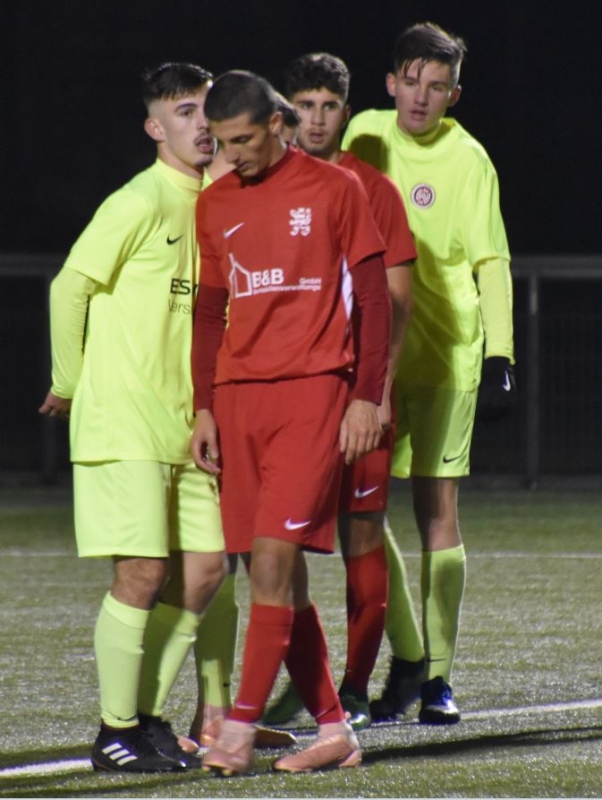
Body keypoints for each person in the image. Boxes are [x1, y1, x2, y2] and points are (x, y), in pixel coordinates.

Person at [190, 69, 391, 775]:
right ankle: (335, 730)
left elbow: (375, 297)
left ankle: (239, 730)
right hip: (238, 401)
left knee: (274, 562)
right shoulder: (214, 203)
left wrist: (366, 396)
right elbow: (209, 310)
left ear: (277, 125)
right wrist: (205, 406)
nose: (232, 154)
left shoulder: (337, 188)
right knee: (273, 576)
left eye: (243, 140)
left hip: (313, 394)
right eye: (222, 142)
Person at [38, 62, 228, 772]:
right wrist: (69, 381)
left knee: (205, 571)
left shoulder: (216, 203)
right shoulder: (140, 199)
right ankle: (115, 732)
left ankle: (144, 718)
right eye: (184, 112)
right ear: (155, 127)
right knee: (145, 572)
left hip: (187, 426)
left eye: (207, 109)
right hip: (125, 420)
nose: (201, 124)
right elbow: (69, 286)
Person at [343, 22, 515, 724]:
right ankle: (409, 654)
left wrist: (500, 353)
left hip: (445, 356)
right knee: (360, 510)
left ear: (454, 95)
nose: (420, 97)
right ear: (391, 82)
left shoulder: (469, 159)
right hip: (372, 358)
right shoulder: (363, 135)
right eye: (411, 81)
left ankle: (438, 677)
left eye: (436, 86)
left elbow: (491, 260)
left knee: (435, 511)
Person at [262, 51, 417, 732]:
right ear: (283, 112)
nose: (317, 119)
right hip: (289, 395)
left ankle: (353, 688)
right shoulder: (261, 184)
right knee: (276, 544)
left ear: (347, 113)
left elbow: (398, 302)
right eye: (305, 105)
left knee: (361, 533)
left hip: (357, 391)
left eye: (330, 106)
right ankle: (304, 682)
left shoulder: (371, 188)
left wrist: (376, 393)